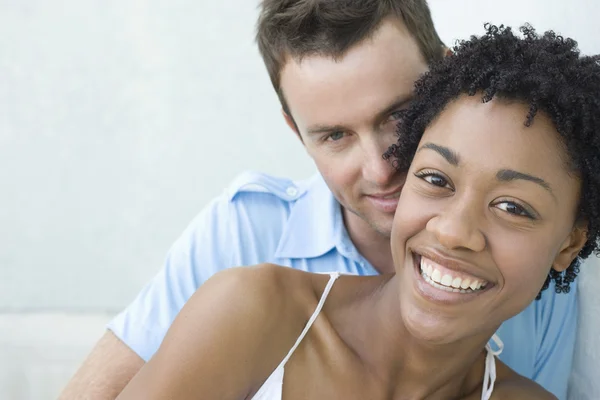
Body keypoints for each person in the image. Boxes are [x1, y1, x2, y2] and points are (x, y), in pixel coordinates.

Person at [59, 2, 579, 398]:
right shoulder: (246, 246)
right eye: (334, 136)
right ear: (296, 131)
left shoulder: (551, 283)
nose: (380, 169)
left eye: (397, 114)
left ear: (446, 82)